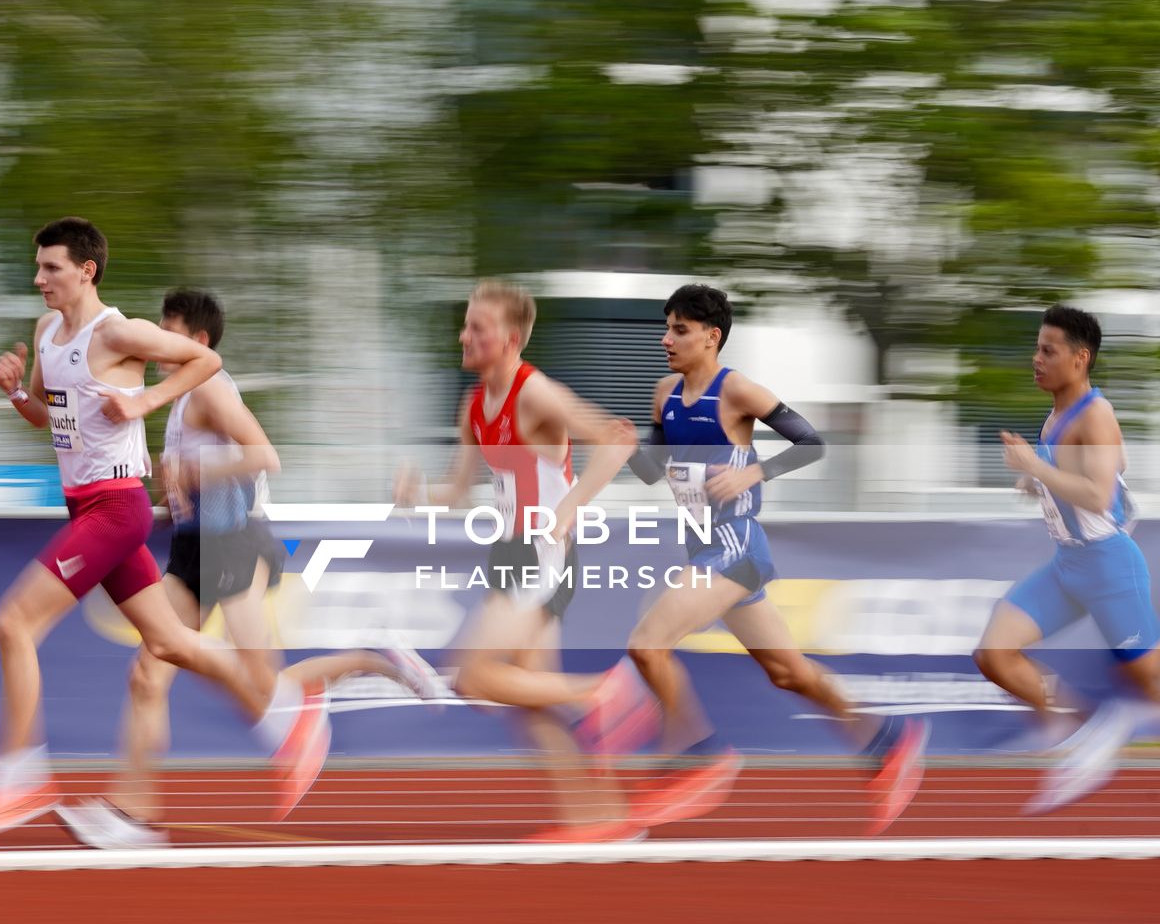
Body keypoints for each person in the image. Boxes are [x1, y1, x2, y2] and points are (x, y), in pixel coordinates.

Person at [0, 220, 328, 834]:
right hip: (83, 506)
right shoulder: (47, 333)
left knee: (12, 623)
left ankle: (19, 776)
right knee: (169, 644)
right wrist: (13, 394)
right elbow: (45, 417)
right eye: (37, 267)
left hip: (117, 506)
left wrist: (144, 402)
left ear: (86, 270)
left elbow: (205, 358)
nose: (38, 279)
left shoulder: (118, 332)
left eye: (51, 268)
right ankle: (286, 714)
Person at [58, 288, 445, 849]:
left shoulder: (210, 387)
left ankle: (372, 658)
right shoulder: (179, 399)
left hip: (234, 543)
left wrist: (197, 471)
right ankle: (132, 814)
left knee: (264, 691)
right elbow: (195, 481)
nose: (159, 342)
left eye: (169, 332)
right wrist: (167, 499)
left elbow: (265, 455)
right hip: (193, 551)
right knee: (148, 673)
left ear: (198, 341)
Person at [623, 283, 926, 835]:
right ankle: (886, 740)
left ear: (711, 337)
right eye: (666, 328)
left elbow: (811, 442)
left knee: (646, 645)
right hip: (703, 544)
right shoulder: (663, 393)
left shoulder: (735, 390)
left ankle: (700, 756)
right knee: (788, 673)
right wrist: (629, 450)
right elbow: (655, 473)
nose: (667, 339)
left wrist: (752, 472)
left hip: (733, 545)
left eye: (680, 330)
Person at [396, 279, 651, 840]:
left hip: (543, 553)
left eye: (477, 328)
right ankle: (602, 818)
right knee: (527, 697)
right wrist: (418, 495)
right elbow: (460, 489)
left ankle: (606, 691)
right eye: (464, 324)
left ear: (510, 339)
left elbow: (618, 439)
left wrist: (568, 513)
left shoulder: (535, 393)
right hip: (511, 554)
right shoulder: (474, 407)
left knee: (474, 675)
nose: (464, 336)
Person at [975, 303, 1160, 813]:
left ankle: (1094, 740)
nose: (1036, 359)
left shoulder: (1095, 412)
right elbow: (1106, 470)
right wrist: (1036, 480)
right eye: (1036, 348)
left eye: (1047, 351)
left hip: (1108, 568)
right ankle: (1079, 737)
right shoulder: (1057, 412)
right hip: (1068, 567)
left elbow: (1099, 495)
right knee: (994, 654)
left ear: (1079, 359)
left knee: (1151, 683)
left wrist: (1037, 466)